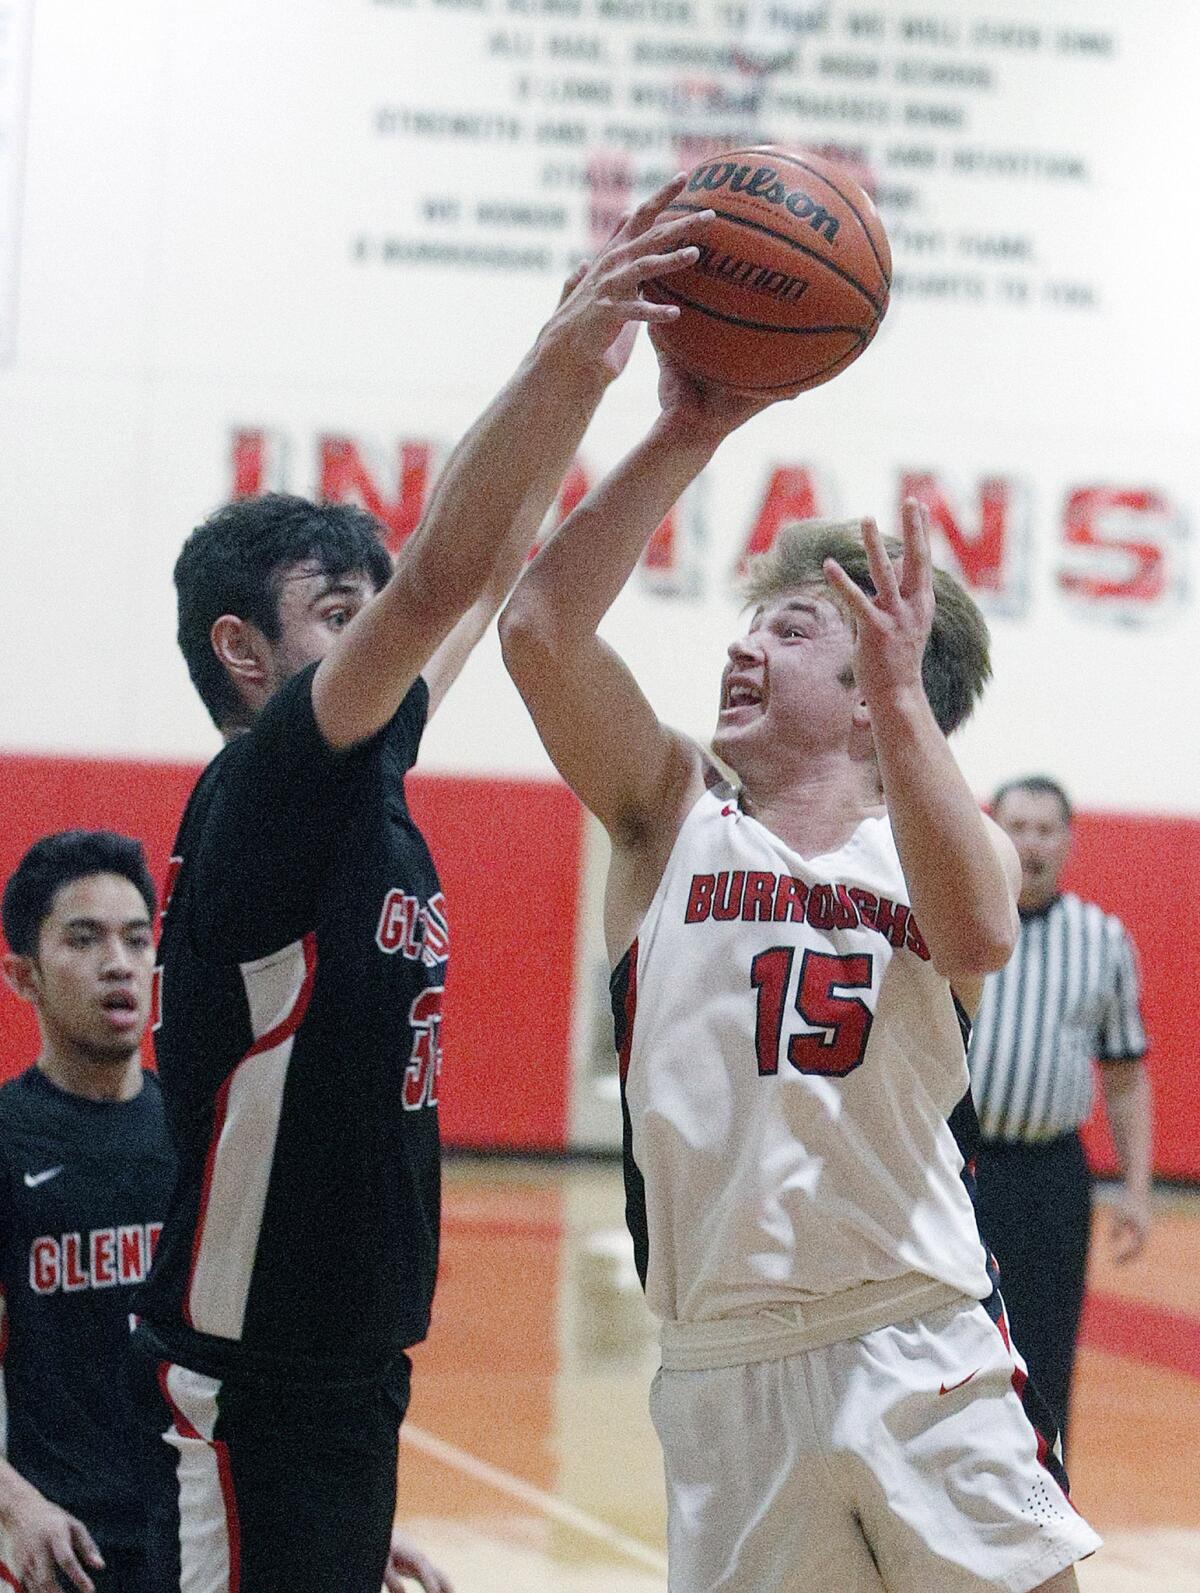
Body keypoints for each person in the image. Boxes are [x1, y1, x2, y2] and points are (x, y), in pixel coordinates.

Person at [130, 178, 710, 1593]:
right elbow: (448, 575)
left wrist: (689, 427)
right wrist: (571, 348)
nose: (375, 635)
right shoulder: (267, 791)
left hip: (350, 1370)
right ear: (245, 653)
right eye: (338, 613)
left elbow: (498, 559)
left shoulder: (367, 778)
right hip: (243, 1384)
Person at [499, 346, 1102, 1589]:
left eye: (791, 626)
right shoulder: (669, 811)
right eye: (749, 624)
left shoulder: (945, 842)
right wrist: (686, 432)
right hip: (719, 1357)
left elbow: (983, 936)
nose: (743, 649)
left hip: (912, 1328)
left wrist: (902, 699)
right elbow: (539, 629)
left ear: (881, 675)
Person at [0, 829, 172, 1593]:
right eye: (84, 938)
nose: (119, 962)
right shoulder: (8, 1138)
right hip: (59, 1550)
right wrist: (15, 1505)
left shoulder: (201, 1130)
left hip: (193, 1538)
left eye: (138, 939)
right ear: (22, 975)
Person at [968, 773, 1152, 1447]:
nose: (1032, 843)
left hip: (1051, 1177)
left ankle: (1039, 1503)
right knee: (948, 1342)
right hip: (959, 1167)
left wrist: (1136, 1190)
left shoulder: (1102, 939)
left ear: (1069, 840)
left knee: (1044, 1352)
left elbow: (1127, 1075)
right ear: (992, 830)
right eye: (1018, 826)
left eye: (1046, 829)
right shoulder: (954, 916)